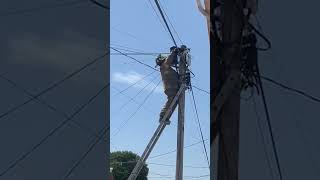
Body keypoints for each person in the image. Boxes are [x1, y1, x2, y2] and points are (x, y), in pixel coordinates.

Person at [155, 46, 180, 125]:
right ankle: (162, 116)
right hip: (171, 87)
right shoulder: (164, 65)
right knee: (171, 101)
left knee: (174, 102)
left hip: (174, 87)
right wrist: (173, 52)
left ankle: (166, 117)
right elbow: (169, 60)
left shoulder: (167, 68)